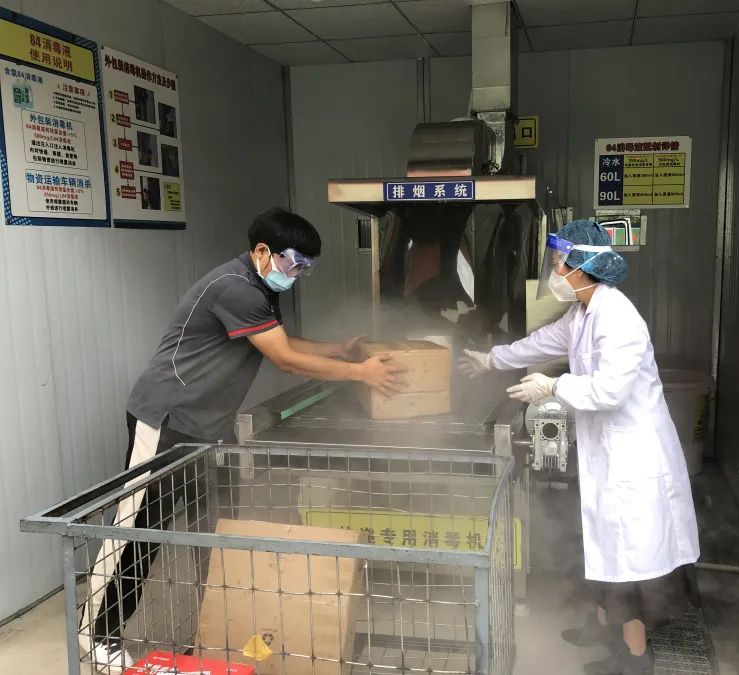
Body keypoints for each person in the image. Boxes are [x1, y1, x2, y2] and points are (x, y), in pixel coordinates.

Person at [80, 207, 405, 671]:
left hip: (207, 429)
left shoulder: (259, 288)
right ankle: (97, 634)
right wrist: (360, 374)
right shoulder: (235, 287)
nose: (298, 274)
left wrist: (340, 351)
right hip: (166, 421)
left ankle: (214, 629)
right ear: (262, 251)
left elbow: (281, 343)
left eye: (307, 267)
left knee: (214, 529)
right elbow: (285, 359)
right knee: (138, 531)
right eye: (295, 263)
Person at [460, 220, 700, 675]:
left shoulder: (619, 318)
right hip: (604, 455)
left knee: (626, 562)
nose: (554, 272)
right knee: (597, 546)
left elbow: (610, 391)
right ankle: (603, 627)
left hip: (633, 461)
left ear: (583, 267)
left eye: (559, 264)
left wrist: (554, 386)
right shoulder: (582, 313)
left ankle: (634, 659)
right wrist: (492, 359)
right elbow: (541, 342)